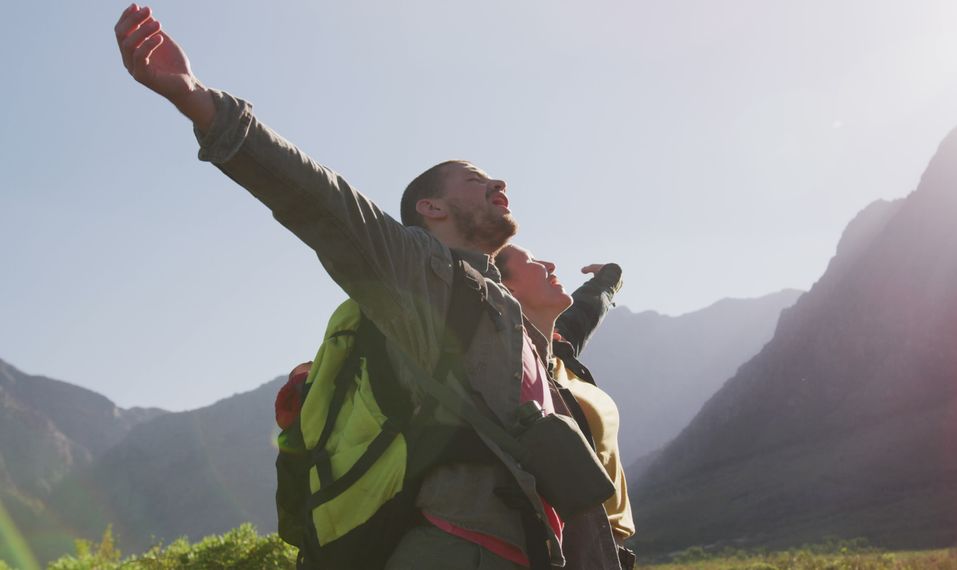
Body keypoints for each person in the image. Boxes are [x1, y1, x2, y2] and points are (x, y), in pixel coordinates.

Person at [113, 5, 621, 569]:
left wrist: (608, 281)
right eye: (476, 180)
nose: (498, 182)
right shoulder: (423, 275)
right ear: (431, 208)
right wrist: (198, 101)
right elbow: (325, 203)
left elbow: (574, 328)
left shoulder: (510, 317)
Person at [494, 246, 635, 569]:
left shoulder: (558, 352)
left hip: (609, 547)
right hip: (563, 551)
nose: (550, 264)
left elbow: (587, 309)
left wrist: (609, 278)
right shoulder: (508, 368)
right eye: (532, 262)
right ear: (507, 289)